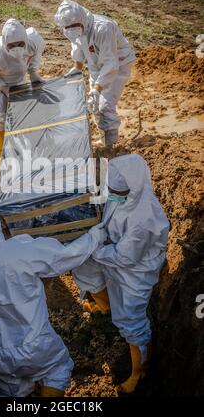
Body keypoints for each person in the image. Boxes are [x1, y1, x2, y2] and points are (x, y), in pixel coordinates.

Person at [0, 190, 106, 397]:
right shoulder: (18, 251)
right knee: (57, 370)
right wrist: (94, 237)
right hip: (31, 343)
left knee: (13, 391)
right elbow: (65, 256)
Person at [72, 154, 169, 393]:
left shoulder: (143, 219)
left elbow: (126, 257)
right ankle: (105, 310)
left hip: (135, 271)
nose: (112, 193)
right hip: (112, 253)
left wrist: (94, 249)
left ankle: (139, 371)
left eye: (117, 191)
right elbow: (108, 206)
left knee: (131, 317)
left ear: (133, 189)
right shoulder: (123, 192)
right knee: (85, 270)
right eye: (110, 189)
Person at [54, 0, 136, 148]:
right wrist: (77, 67)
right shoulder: (74, 27)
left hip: (119, 63)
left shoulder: (103, 28)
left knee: (105, 105)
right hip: (96, 64)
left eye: (73, 26)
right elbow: (77, 45)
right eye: (67, 27)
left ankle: (111, 146)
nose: (70, 29)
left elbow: (111, 63)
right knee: (94, 104)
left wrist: (97, 88)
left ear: (81, 20)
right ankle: (104, 139)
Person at [0, 19, 45, 162]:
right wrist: (3, 87)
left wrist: (33, 72)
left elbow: (37, 54)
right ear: (4, 43)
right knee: (0, 113)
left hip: (17, 79)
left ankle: (20, 144)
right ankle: (1, 154)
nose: (17, 48)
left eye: (20, 44)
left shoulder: (34, 40)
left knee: (19, 111)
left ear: (25, 39)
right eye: (12, 45)